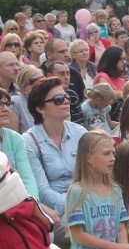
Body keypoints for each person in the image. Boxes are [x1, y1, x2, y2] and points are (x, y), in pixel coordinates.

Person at [24, 77, 88, 218]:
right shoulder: (29, 141)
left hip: (86, 202)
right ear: (40, 108)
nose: (66, 101)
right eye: (58, 99)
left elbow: (93, 176)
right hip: (55, 212)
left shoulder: (80, 133)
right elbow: (42, 191)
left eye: (66, 97)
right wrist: (80, 206)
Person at [0, 87, 38, 197]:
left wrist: (32, 201)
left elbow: (27, 177)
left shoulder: (15, 139)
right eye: (0, 104)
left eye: (7, 104)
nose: (6, 109)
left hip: (16, 201)